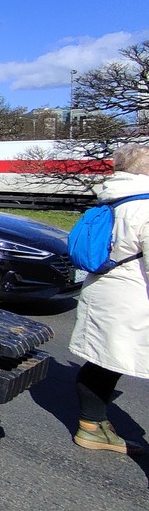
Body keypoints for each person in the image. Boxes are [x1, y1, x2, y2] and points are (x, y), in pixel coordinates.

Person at [69, 143, 149, 455]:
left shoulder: (111, 200)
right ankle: (92, 428)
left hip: (102, 290)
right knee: (109, 361)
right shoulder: (145, 206)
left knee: (102, 361)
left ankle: (91, 426)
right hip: (134, 299)